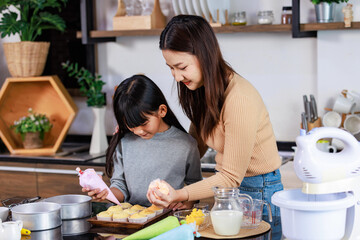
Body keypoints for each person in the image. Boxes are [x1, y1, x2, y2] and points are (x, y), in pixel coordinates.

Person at [147, 15, 283, 233]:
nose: (177, 77)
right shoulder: (202, 91)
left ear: (204, 55)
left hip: (258, 193)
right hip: (227, 191)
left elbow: (230, 177)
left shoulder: (239, 98)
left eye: (181, 66)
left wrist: (183, 193)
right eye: (170, 68)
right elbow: (196, 144)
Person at [83, 74, 202, 207]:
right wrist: (105, 192)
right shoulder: (125, 141)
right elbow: (119, 186)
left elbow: (195, 185)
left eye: (144, 123)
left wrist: (187, 203)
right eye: (131, 125)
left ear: (162, 111)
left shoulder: (186, 144)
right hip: (132, 220)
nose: (138, 131)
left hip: (168, 219)